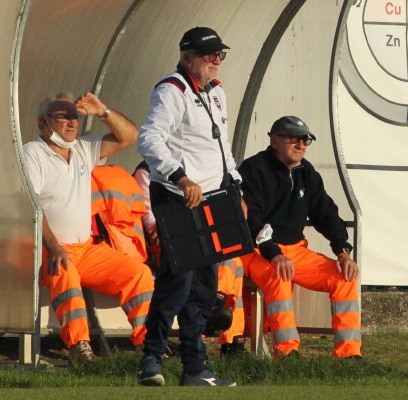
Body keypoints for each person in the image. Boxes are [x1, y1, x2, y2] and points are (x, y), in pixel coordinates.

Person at [136, 27, 240, 386]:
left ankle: (195, 367)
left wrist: (235, 182)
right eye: (209, 54)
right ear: (187, 58)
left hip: (211, 197)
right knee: (177, 280)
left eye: (219, 55)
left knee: (205, 286)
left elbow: (219, 143)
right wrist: (180, 178)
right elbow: (149, 139)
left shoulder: (216, 91)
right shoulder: (172, 89)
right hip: (177, 196)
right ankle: (151, 359)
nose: (216, 61)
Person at [23, 93, 154, 366]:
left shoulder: (83, 149)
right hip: (47, 250)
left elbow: (128, 136)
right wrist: (55, 247)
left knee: (138, 272)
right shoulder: (32, 153)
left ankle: (150, 345)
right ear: (42, 122)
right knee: (64, 267)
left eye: (74, 117)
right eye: (62, 116)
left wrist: (103, 111)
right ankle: (79, 347)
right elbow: (32, 208)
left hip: (85, 248)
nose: (72, 123)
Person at [239, 116, 362, 359]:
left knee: (345, 277)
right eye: (293, 138)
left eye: (305, 140)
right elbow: (252, 218)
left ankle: (349, 356)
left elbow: (326, 213)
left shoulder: (307, 172)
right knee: (279, 275)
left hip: (294, 250)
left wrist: (342, 252)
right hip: (255, 250)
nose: (300, 145)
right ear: (273, 140)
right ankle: (287, 354)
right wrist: (274, 254)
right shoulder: (253, 168)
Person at [133, 161, 245, 356]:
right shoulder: (148, 171)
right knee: (200, 262)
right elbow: (150, 218)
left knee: (232, 261)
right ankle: (202, 327)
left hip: (197, 237)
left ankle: (231, 339)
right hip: (164, 243)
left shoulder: (198, 168)